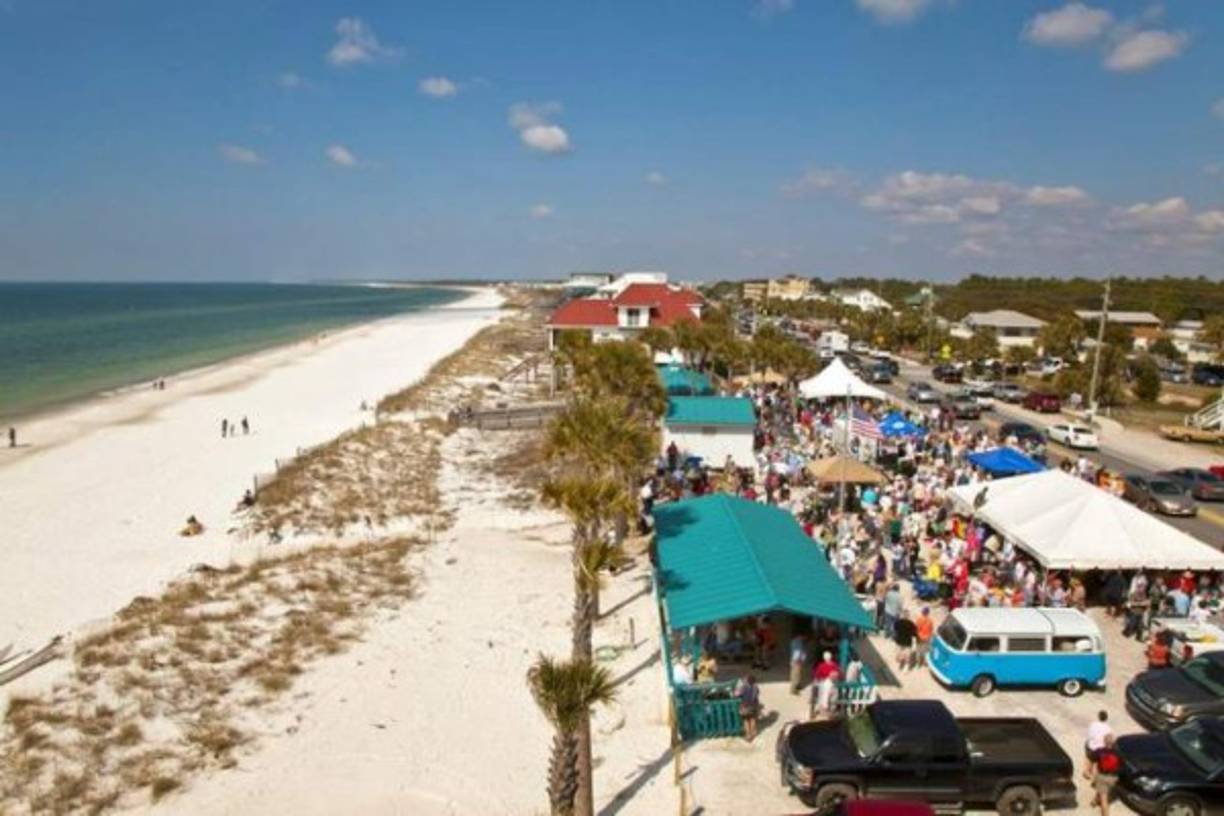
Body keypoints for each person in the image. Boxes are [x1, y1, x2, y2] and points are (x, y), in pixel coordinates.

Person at [1093, 734, 1121, 816]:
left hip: (1103, 777)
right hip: (1114, 778)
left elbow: (1091, 759)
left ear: (1104, 742)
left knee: (1104, 801)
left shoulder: (1099, 751)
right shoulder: (1118, 753)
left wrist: (1089, 771)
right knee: (1101, 789)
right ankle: (1095, 801)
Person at [1084, 710, 1113, 779]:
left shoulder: (1093, 724)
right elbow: (1109, 741)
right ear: (1106, 718)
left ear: (1099, 717)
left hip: (1092, 747)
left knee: (1089, 757)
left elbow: (1089, 735)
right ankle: (1095, 777)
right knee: (1098, 762)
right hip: (1101, 749)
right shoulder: (1108, 729)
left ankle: (1087, 772)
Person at [736, 674, 761, 742]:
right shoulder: (756, 687)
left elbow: (737, 694)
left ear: (747, 681)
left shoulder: (744, 687)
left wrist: (738, 688)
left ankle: (748, 735)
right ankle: (753, 733)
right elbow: (757, 694)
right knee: (752, 719)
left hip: (745, 706)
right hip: (753, 706)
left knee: (746, 720)